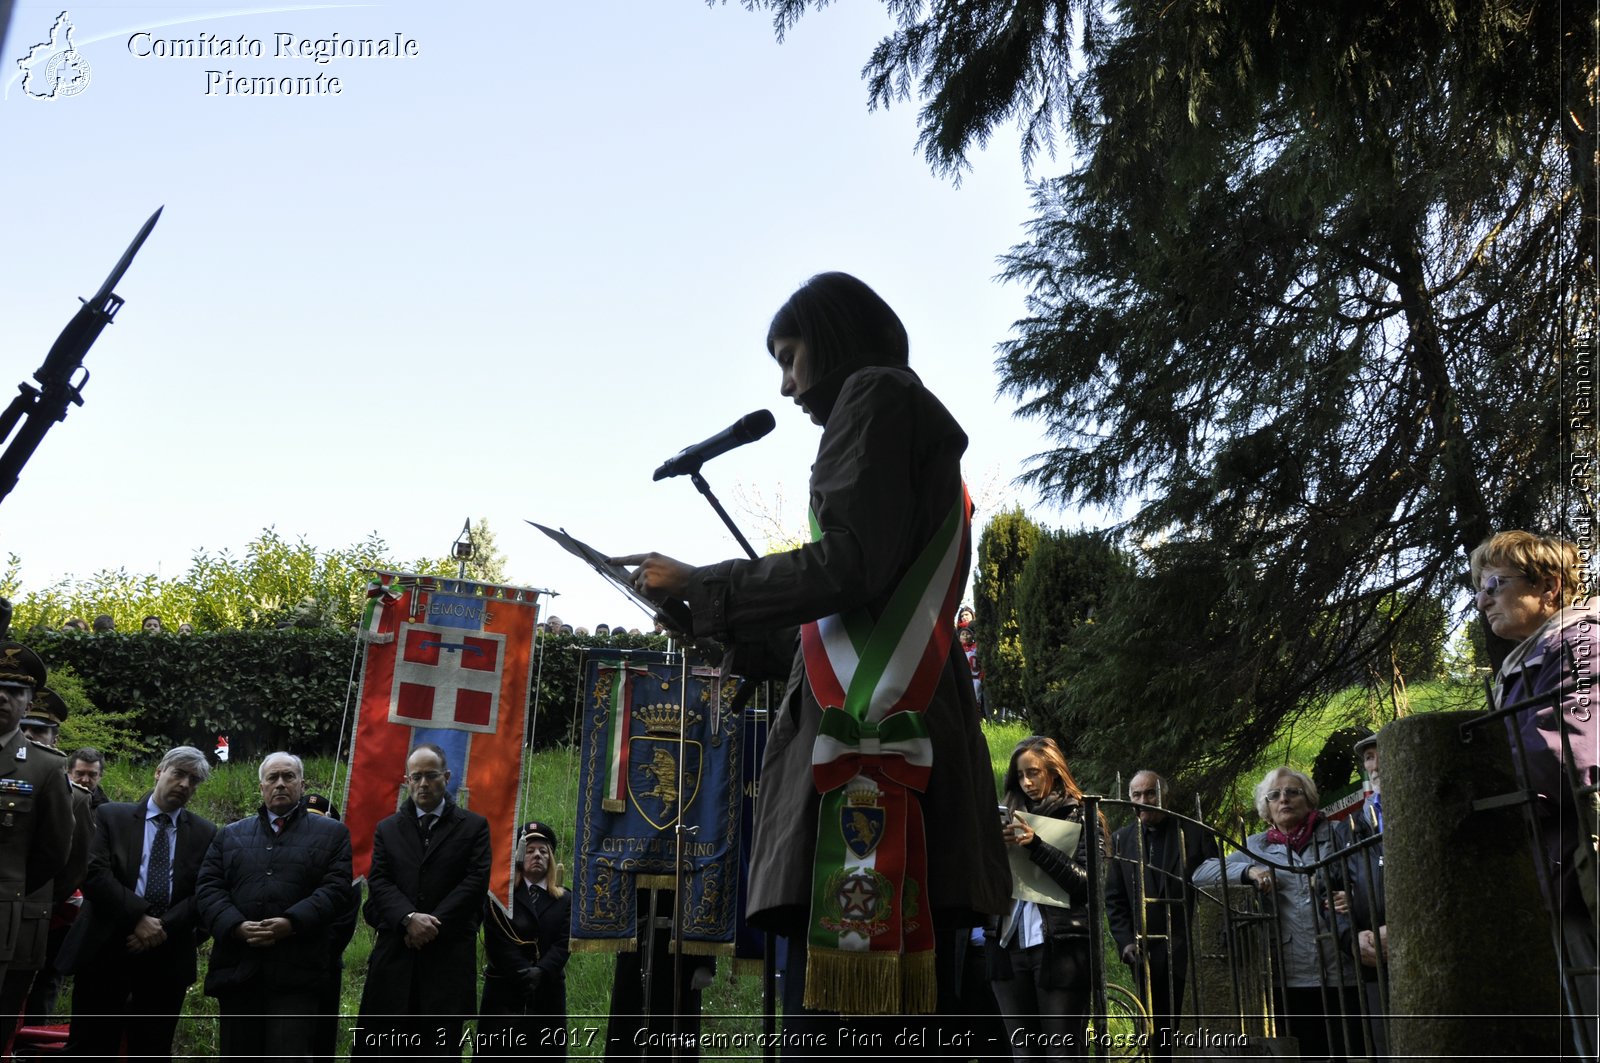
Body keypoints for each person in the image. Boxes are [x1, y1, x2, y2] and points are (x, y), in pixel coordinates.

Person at [612, 272, 1009, 1034]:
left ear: (833, 337)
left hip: (874, 764)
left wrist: (710, 584)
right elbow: (848, 612)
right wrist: (716, 619)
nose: (787, 385)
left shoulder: (874, 398)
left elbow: (848, 562)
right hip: (915, 746)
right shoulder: (905, 420)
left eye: (791, 356)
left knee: (846, 1036)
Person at [58, 746, 217, 1061]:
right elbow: (93, 873)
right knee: (90, 1048)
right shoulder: (111, 816)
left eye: (194, 779)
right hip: (105, 950)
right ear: (159, 772)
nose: (185, 784)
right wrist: (137, 917)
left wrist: (161, 927)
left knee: (152, 1051)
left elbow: (205, 892)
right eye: (179, 774)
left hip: (166, 958)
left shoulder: (205, 832)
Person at [196, 751, 355, 1061]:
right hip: (239, 969)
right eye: (273, 778)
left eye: (288, 777)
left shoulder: (333, 833)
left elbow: (336, 889)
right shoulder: (230, 835)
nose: (280, 783)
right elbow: (208, 888)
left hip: (298, 971)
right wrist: (235, 926)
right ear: (261, 787)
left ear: (302, 783)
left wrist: (291, 923)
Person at [1195, 767, 1361, 1063]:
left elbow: (1369, 874)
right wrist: (1248, 871)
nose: (1283, 799)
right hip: (1289, 975)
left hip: (1343, 968)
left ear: (1309, 799)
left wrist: (1356, 897)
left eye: (1292, 792)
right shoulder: (1256, 846)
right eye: (1275, 795)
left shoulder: (1337, 834)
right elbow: (1201, 873)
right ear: (1267, 809)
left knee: (1350, 1050)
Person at [356, 743, 491, 1057]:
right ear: (406, 781)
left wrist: (431, 924)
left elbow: (474, 882)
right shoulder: (387, 829)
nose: (423, 784)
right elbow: (379, 881)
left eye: (431, 776)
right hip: (396, 960)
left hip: (446, 961)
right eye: (416, 777)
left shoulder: (473, 827)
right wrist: (408, 919)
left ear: (446, 777)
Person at [988, 736, 1103, 1061]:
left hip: (1060, 949)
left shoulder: (1079, 815)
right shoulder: (1002, 817)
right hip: (1007, 948)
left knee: (1062, 1052)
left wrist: (1036, 845)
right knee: (1024, 1053)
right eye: (1020, 775)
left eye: (1033, 773)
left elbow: (1088, 885)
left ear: (1053, 771)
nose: (1026, 782)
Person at [1103, 770, 1218, 1061]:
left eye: (1150, 793)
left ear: (1164, 796)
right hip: (1144, 952)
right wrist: (1125, 940)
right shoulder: (1121, 839)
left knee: (1192, 1026)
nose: (1144, 800)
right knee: (1154, 1031)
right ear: (1129, 799)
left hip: (1189, 949)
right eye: (1136, 795)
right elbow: (1114, 899)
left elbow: (1214, 889)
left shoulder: (1195, 833)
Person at [0, 643, 75, 1004]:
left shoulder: (44, 767)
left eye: (14, 691)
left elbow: (55, 851)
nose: (2, 697)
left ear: (28, 704)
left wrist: (11, 889)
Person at [478, 820, 571, 1058]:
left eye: (543, 851)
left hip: (547, 993)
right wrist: (523, 972)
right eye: (529, 851)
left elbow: (564, 943)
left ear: (551, 858)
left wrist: (541, 971)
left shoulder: (566, 899)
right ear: (519, 857)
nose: (537, 855)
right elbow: (496, 940)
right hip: (505, 991)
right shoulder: (499, 896)